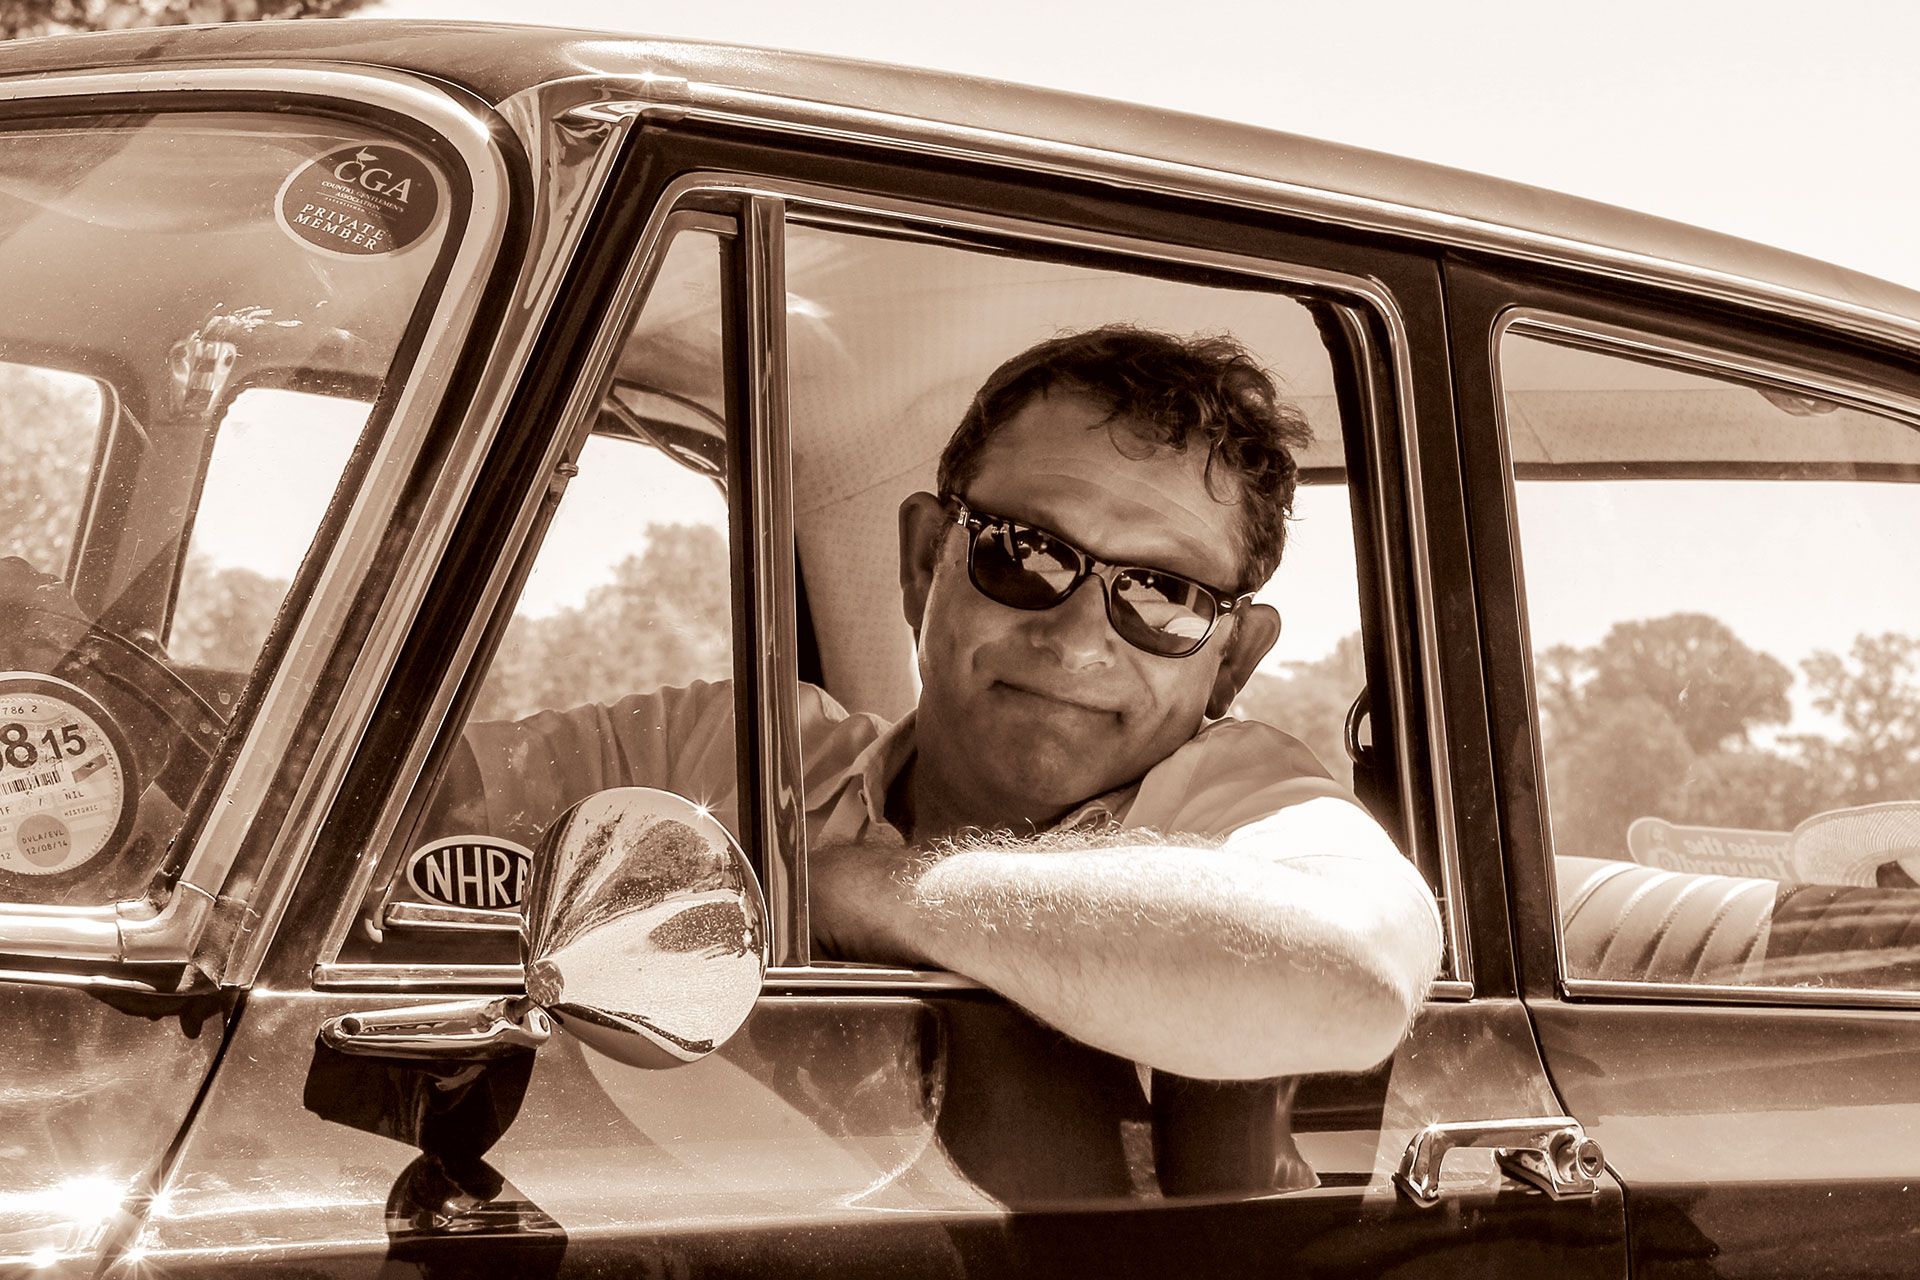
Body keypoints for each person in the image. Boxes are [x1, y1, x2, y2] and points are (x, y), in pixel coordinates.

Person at [439, 325, 1442, 1081]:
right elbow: (389, 812)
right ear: (926, 562)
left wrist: (852, 894)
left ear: (1230, 664)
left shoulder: (1247, 806)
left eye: (1161, 594)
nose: (1075, 638)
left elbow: (1350, 977)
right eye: (1025, 553)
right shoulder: (724, 752)